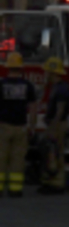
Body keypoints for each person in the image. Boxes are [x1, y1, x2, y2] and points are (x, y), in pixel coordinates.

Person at [0, 52, 39, 197]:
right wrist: (32, 127)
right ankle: (15, 189)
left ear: (8, 67)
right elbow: (33, 108)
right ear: (21, 68)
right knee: (18, 160)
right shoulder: (27, 85)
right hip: (21, 127)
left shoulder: (1, 84)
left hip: (3, 127)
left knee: (1, 158)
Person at [39, 57, 69, 194]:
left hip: (57, 125)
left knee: (56, 154)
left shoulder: (62, 89)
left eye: (47, 71)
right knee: (49, 154)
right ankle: (49, 182)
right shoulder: (55, 87)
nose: (44, 73)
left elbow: (60, 111)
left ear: (52, 72)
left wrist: (53, 128)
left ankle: (58, 184)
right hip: (54, 124)